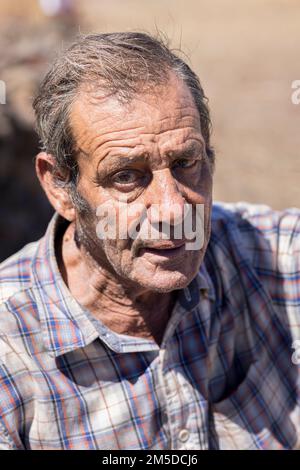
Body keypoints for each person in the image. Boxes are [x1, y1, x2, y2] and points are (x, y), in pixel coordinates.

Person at [0, 32, 299, 450]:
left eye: (185, 163)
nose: (173, 209)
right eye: (127, 175)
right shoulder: (11, 350)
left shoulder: (265, 256)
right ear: (60, 188)